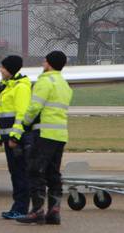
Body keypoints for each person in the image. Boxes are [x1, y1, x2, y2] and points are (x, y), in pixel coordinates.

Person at [10, 51, 72, 225]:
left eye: (45, 60)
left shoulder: (45, 82)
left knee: (34, 171)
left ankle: (37, 211)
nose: (43, 63)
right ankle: (54, 211)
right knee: (53, 173)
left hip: (44, 134)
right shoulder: (63, 84)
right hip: (60, 134)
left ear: (49, 63)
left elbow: (34, 106)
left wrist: (25, 124)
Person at [0, 55, 32, 220]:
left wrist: (15, 138)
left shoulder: (20, 88)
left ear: (10, 69)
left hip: (17, 140)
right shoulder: (6, 87)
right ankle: (17, 206)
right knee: (14, 172)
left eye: (2, 67)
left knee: (20, 173)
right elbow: (2, 115)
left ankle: (21, 208)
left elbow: (22, 114)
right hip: (8, 138)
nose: (0, 70)